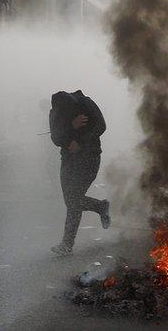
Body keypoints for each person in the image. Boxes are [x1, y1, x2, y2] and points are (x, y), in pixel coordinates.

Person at [49, 90, 110, 256]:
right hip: (69, 160)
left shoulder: (85, 103)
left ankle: (67, 244)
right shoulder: (56, 111)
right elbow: (55, 137)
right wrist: (71, 126)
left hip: (89, 158)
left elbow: (101, 125)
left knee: (73, 200)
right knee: (71, 200)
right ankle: (100, 206)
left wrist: (81, 141)